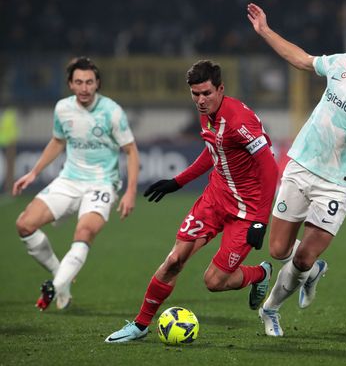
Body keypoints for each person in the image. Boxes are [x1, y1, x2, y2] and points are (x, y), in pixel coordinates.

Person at [247, 3, 346, 336]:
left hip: (337, 182)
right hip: (301, 165)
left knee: (302, 257)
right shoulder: (341, 63)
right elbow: (301, 59)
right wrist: (265, 31)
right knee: (278, 251)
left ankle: (271, 308)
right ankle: (314, 270)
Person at [105, 60, 278, 343]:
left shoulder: (239, 121)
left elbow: (270, 168)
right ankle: (140, 325)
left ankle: (260, 274)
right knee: (174, 260)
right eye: (195, 94)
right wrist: (178, 182)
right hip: (215, 198)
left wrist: (260, 220)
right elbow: (214, 152)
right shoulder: (206, 113)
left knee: (214, 282)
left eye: (207, 93)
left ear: (221, 89)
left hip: (246, 210)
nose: (200, 100)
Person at [13, 57, 140, 311]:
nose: (84, 88)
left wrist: (130, 192)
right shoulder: (62, 109)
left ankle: (55, 286)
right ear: (70, 84)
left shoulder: (112, 112)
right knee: (24, 224)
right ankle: (62, 276)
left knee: (84, 233)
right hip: (69, 180)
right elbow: (58, 141)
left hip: (102, 184)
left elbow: (131, 151)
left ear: (97, 84)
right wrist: (34, 173)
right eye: (79, 82)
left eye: (89, 82)